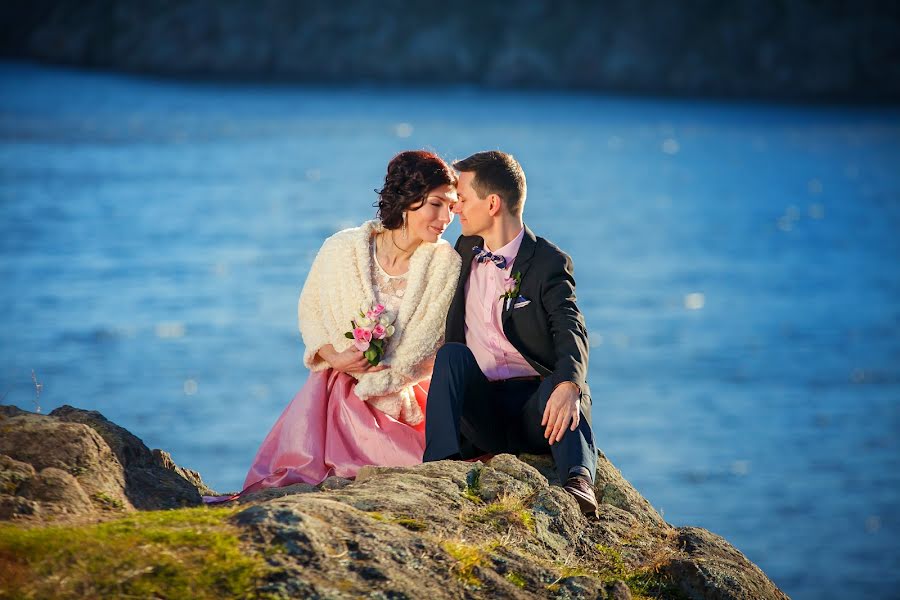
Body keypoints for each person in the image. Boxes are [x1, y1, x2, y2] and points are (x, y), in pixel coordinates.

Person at [217, 151, 461, 499]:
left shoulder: (445, 265)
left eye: (452, 207)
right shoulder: (341, 248)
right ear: (408, 199)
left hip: (400, 392)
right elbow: (311, 310)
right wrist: (334, 356)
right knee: (312, 445)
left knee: (412, 466)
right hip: (335, 383)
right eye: (436, 204)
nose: (446, 218)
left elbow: (428, 343)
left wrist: (379, 378)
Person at [422, 150, 598, 514]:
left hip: (538, 415)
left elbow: (571, 326)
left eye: (463, 199)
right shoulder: (466, 248)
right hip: (482, 410)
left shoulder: (548, 261)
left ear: (492, 204)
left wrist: (570, 384)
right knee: (452, 356)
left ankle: (579, 482)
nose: (455, 208)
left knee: (562, 382)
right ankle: (437, 468)